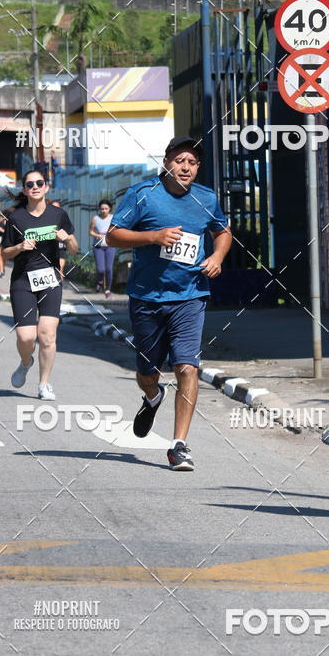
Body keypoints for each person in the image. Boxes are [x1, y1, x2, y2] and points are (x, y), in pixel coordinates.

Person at [106, 136, 232, 471]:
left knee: (187, 366)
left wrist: (217, 256)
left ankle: (179, 445)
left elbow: (223, 231)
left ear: (198, 167)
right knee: (147, 373)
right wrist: (153, 236)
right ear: (166, 162)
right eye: (180, 160)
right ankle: (152, 396)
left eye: (192, 162)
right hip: (147, 298)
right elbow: (113, 235)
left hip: (190, 295)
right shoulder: (143, 194)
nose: (186, 167)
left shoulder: (205, 198)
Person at [1, 171, 78, 400]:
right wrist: (19, 247)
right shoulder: (16, 218)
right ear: (24, 190)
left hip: (50, 281)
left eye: (39, 183)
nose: (35, 186)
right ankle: (26, 362)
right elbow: (5, 254)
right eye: (30, 184)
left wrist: (68, 239)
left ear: (46, 187)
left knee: (47, 335)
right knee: (26, 337)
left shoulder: (58, 214)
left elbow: (74, 249)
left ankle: (44, 383)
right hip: (23, 281)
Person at [89, 199, 116, 298]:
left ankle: (108, 290)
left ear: (110, 209)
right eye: (102, 209)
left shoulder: (113, 218)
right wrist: (97, 235)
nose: (104, 211)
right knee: (101, 269)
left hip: (110, 246)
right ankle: (100, 281)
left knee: (109, 269)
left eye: (106, 209)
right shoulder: (95, 219)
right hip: (98, 246)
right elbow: (90, 232)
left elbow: (117, 230)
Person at [51, 201, 67, 279]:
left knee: (60, 269)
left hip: (60, 243)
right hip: (49, 245)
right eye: (53, 207)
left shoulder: (63, 218)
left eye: (57, 207)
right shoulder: (45, 218)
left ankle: (59, 286)